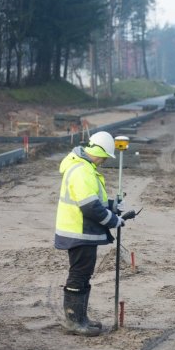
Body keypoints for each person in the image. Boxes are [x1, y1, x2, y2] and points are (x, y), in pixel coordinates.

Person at [54, 131, 125, 336]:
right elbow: (90, 207)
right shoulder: (81, 171)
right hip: (78, 232)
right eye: (104, 157)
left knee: (84, 274)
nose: (103, 161)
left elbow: (95, 200)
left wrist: (112, 205)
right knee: (79, 274)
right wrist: (114, 220)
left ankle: (81, 318)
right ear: (99, 152)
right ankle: (74, 322)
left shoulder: (85, 168)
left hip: (82, 231)